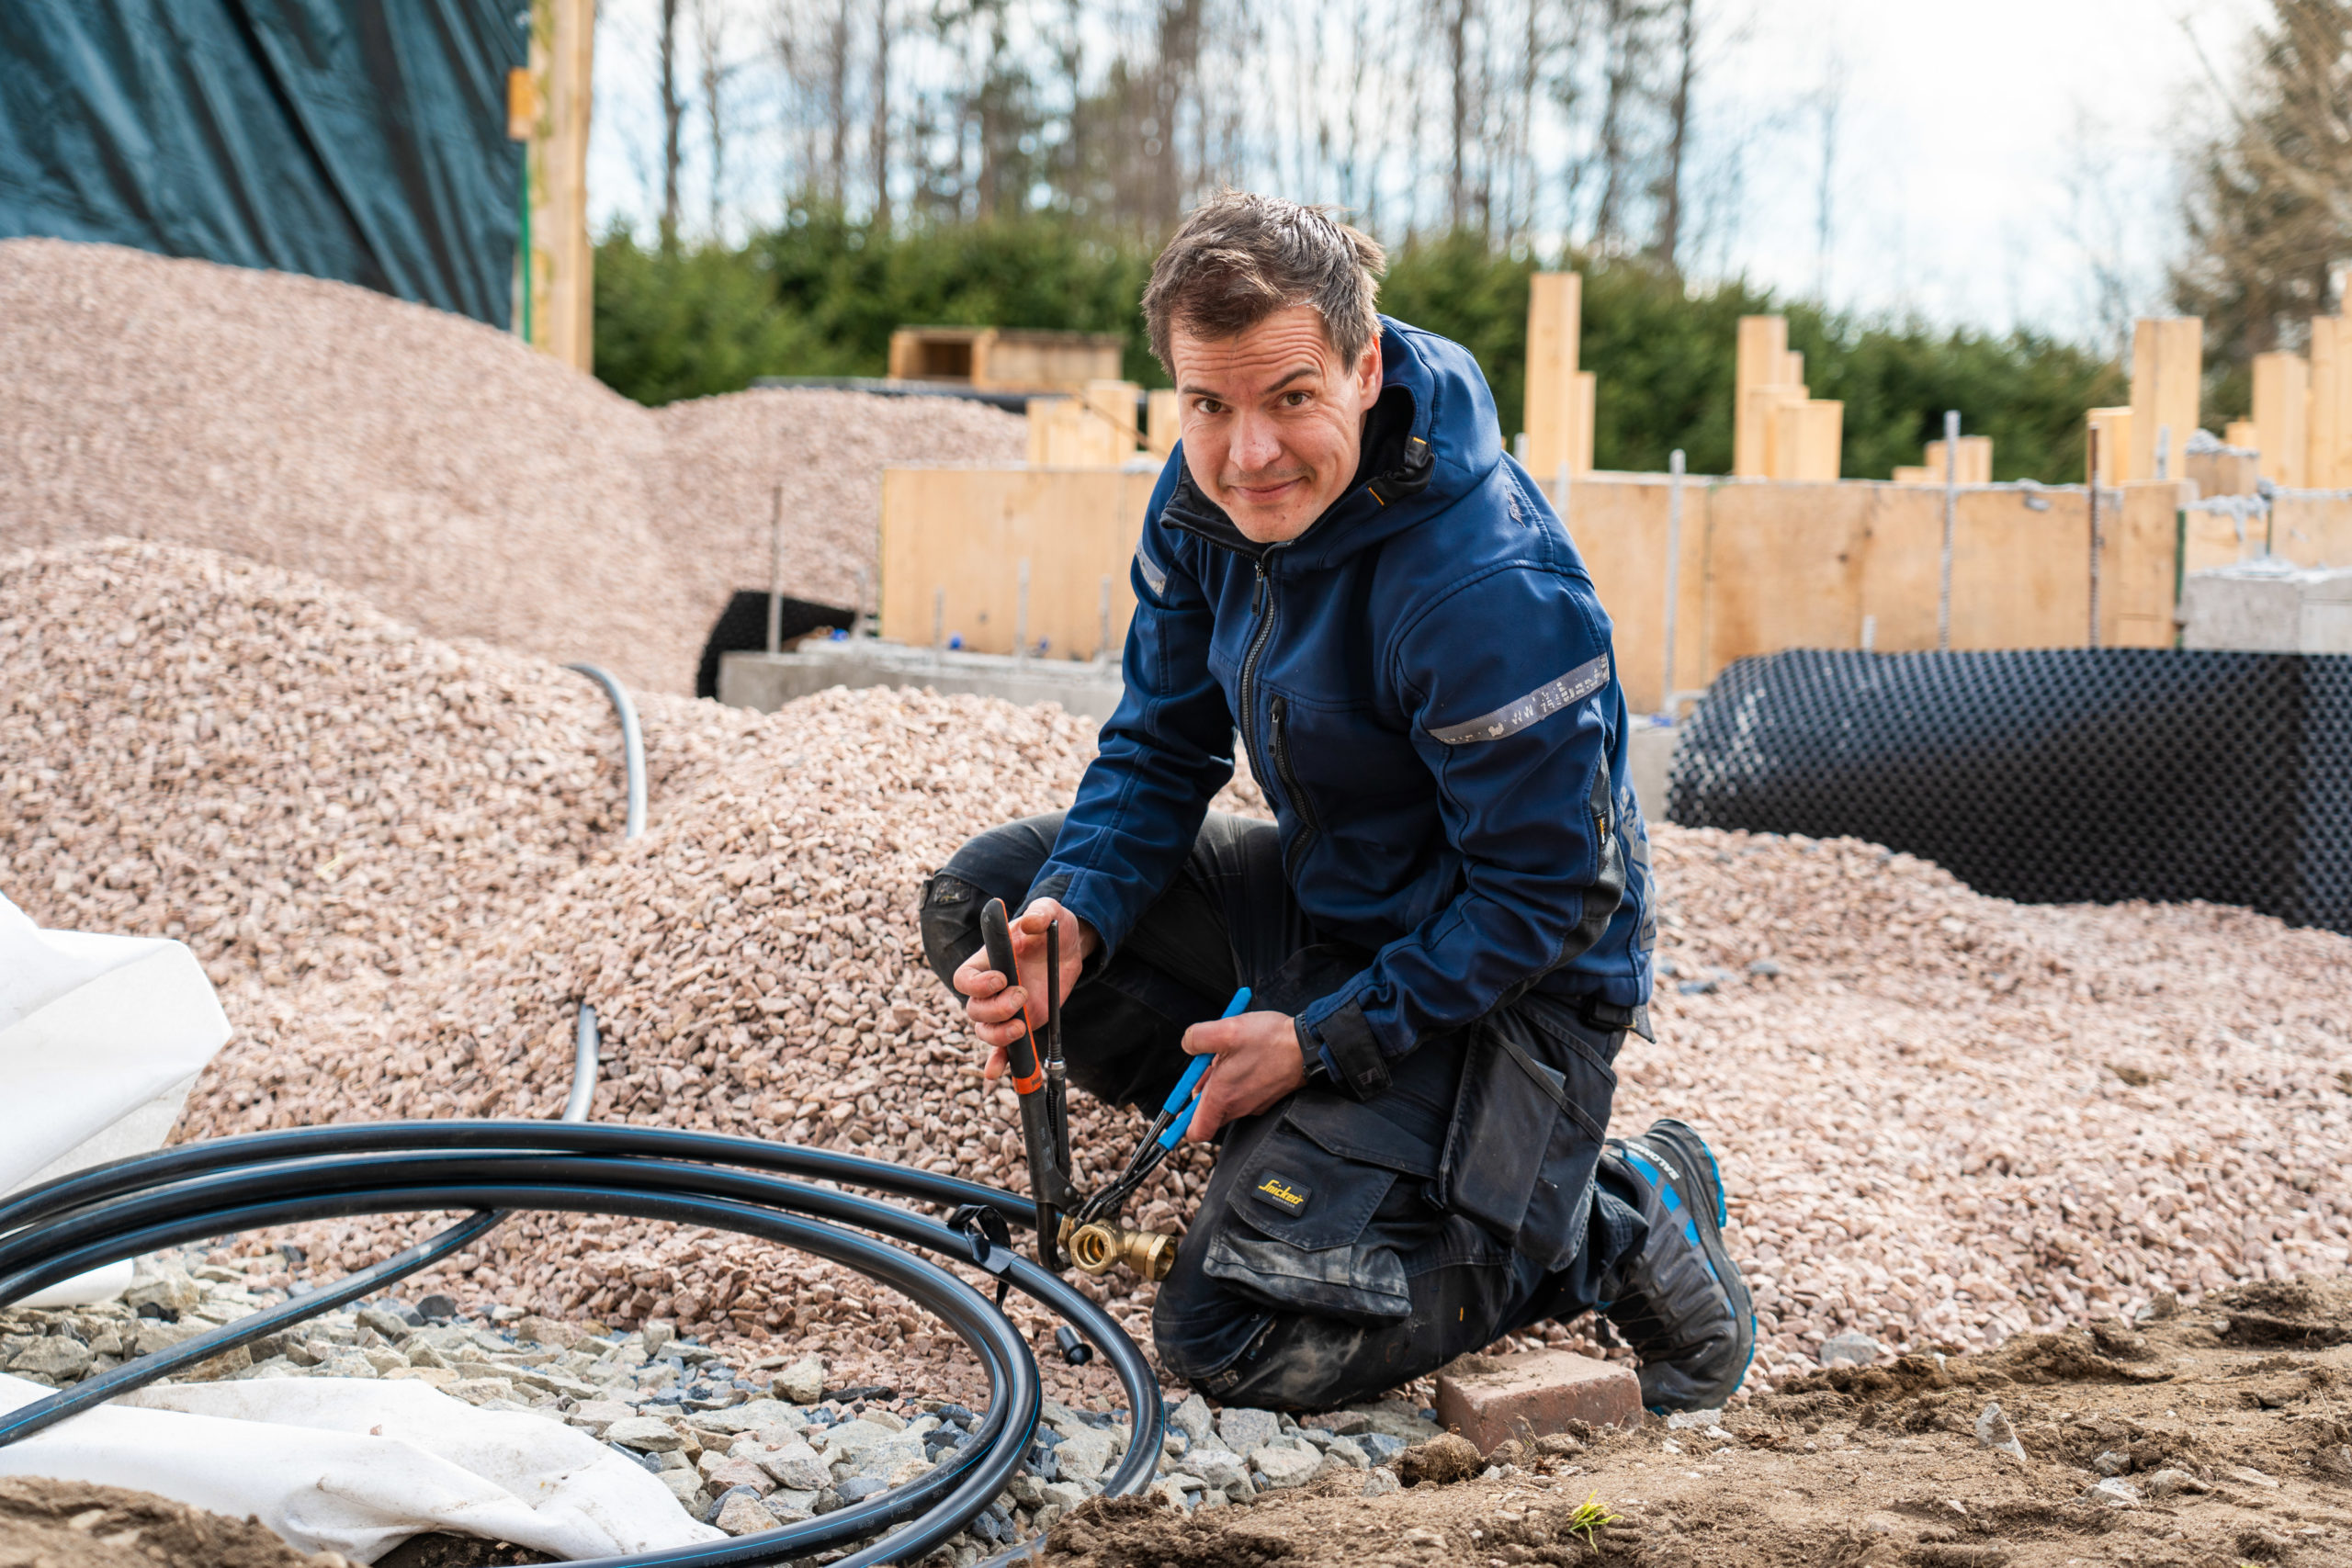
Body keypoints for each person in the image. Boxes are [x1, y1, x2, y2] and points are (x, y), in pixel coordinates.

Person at [921, 190, 1751, 1413]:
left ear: (1365, 369)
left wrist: (1316, 1042)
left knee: (1228, 1333)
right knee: (989, 905)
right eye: (1209, 405)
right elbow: (1159, 747)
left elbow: (1547, 899)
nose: (1248, 453)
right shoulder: (1202, 497)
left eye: (1290, 398)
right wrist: (1077, 915)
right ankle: (1321, 1161)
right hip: (1336, 908)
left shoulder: (1488, 587)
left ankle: (1614, 1218)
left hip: (1513, 986)